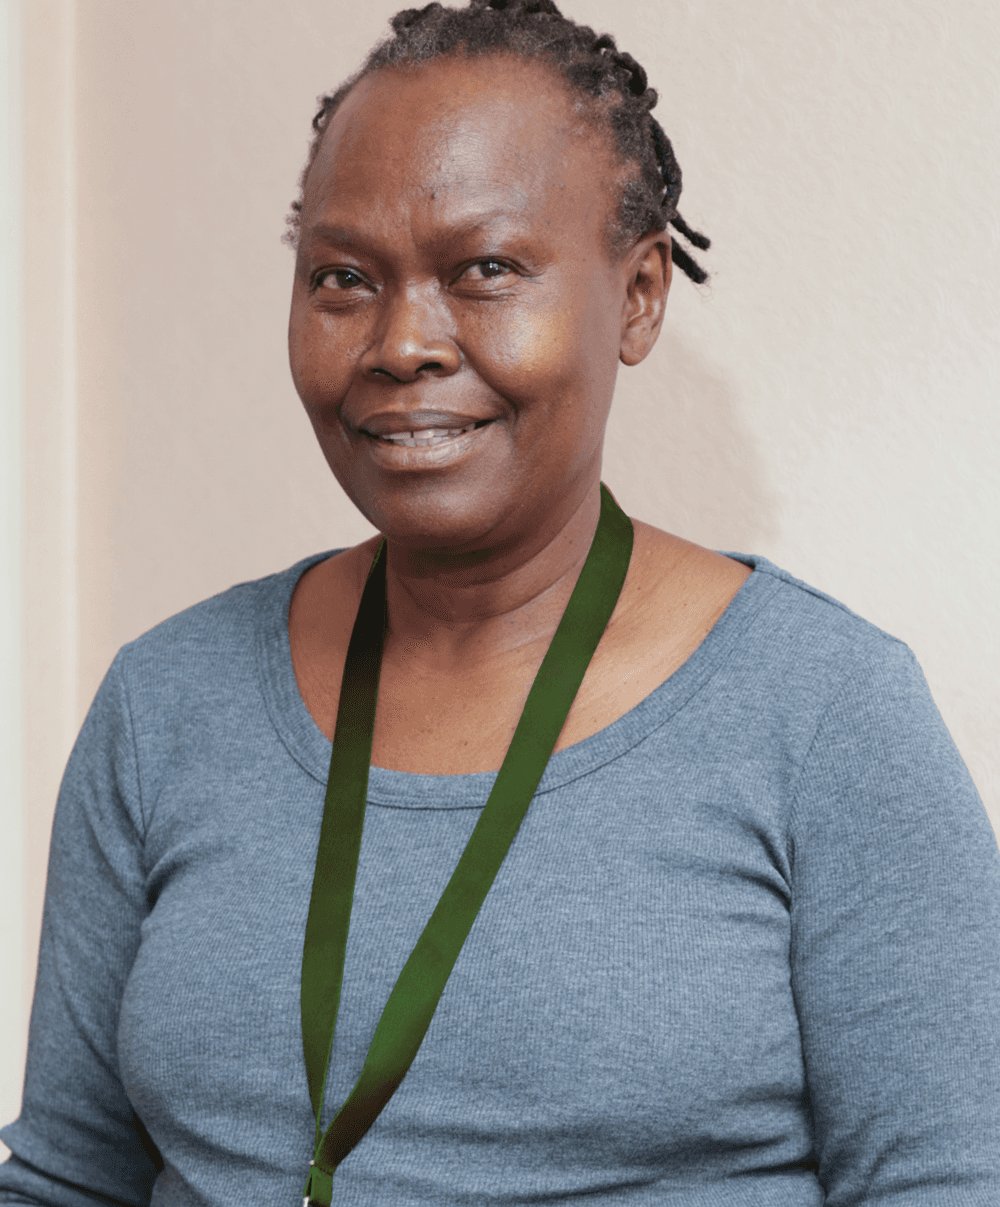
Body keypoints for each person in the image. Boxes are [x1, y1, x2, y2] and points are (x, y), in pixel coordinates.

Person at [2, 0, 999, 1203]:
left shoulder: (826, 714)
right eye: (342, 277)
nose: (400, 342)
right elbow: (63, 1180)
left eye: (484, 269)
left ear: (636, 296)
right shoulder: (163, 703)